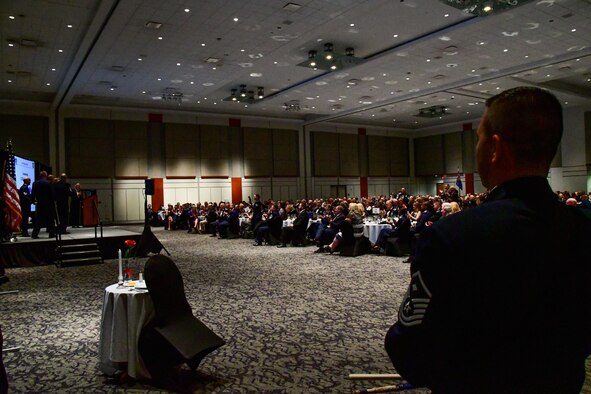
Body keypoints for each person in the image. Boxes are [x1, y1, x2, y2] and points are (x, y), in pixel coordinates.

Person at [385, 87, 591, 394]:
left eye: (479, 138)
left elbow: (412, 350)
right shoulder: (583, 229)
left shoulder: (452, 236)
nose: (478, 146)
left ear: (494, 147)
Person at [31, 171, 56, 239]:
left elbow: (33, 194)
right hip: (48, 204)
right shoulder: (48, 183)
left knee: (38, 219)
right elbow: (52, 194)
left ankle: (34, 234)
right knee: (50, 219)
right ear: (45, 175)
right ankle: (51, 234)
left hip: (40, 204)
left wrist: (33, 201)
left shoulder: (35, 183)